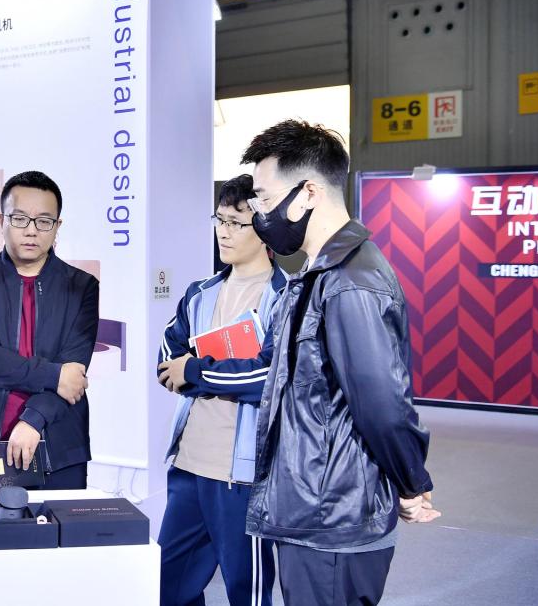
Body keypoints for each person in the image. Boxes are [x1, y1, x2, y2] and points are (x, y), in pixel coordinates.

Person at [239, 119, 440, 605]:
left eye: (264, 199)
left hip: (332, 519)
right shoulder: (318, 274)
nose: (260, 214)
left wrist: (411, 482)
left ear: (308, 192)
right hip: (313, 508)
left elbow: (382, 407)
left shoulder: (351, 281)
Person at [155, 174, 285, 606]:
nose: (224, 232)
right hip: (188, 465)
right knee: (168, 585)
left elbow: (269, 378)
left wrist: (197, 371)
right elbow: (167, 359)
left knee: (248, 590)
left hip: (243, 476)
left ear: (263, 228)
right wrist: (196, 370)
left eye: (236, 223)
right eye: (220, 220)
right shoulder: (200, 293)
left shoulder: (284, 297)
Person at [0, 171, 98, 491]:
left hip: (60, 443)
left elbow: (74, 368)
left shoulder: (82, 287)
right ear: (1, 221)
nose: (31, 230)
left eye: (44, 221)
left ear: (57, 226)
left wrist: (33, 418)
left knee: (60, 524)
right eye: (19, 219)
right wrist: (55, 375)